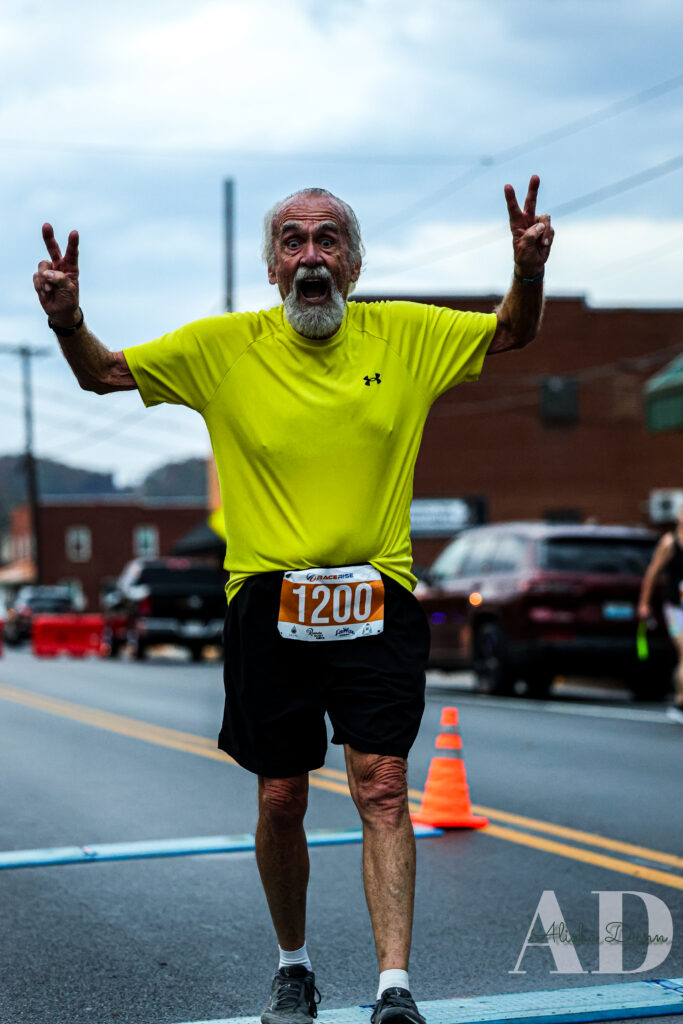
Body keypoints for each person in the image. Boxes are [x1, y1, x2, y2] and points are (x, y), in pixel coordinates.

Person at [34, 177, 554, 1024]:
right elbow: (101, 375)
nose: (310, 256)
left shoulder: (409, 333)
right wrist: (66, 319)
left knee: (382, 785)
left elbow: (513, 332)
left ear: (353, 261)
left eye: (326, 240)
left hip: (375, 594)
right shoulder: (222, 347)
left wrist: (526, 268)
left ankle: (394, 989)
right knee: (282, 795)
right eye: (291, 241)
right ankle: (294, 967)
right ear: (273, 267)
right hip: (268, 599)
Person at [638, 508, 683, 723]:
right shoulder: (670, 542)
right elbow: (652, 573)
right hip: (676, 608)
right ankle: (680, 701)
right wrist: (644, 603)